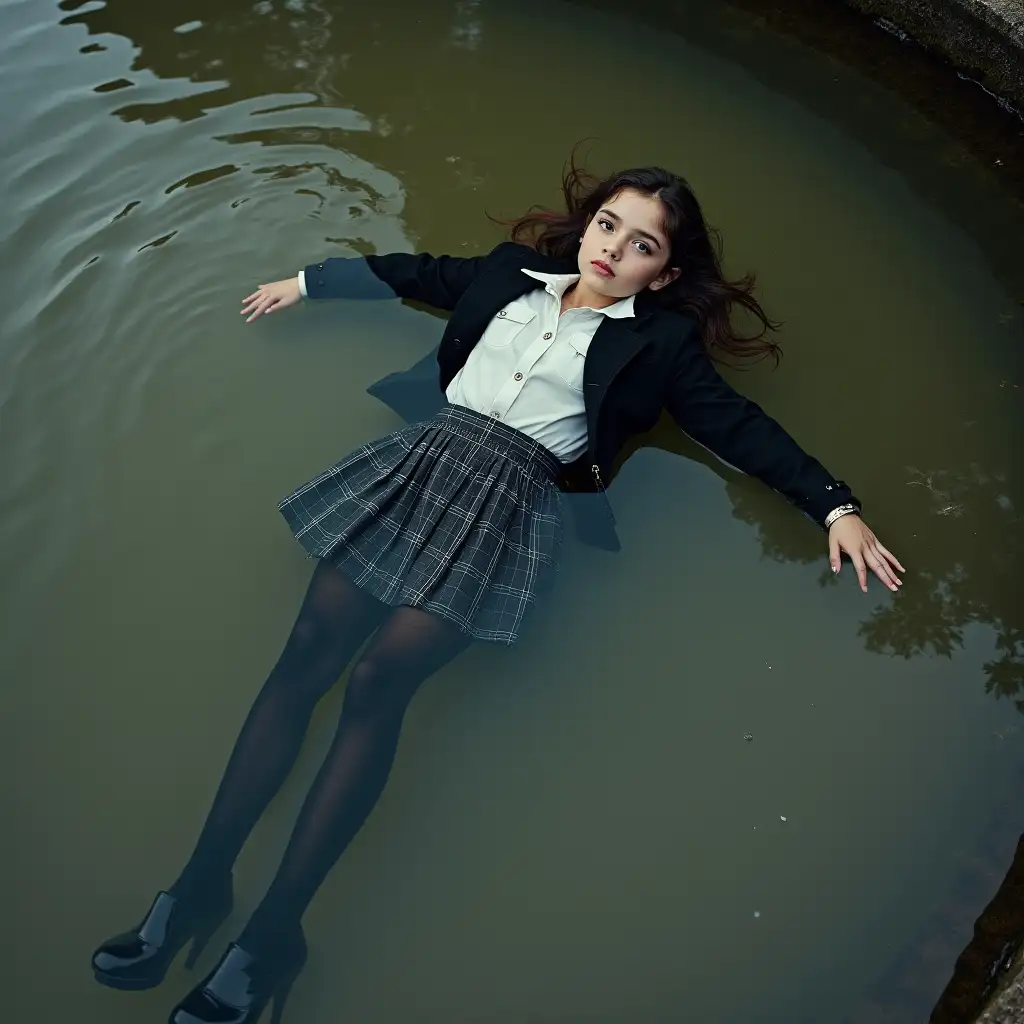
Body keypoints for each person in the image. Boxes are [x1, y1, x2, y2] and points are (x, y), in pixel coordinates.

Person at [91, 159, 904, 1023]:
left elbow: (740, 426)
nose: (612, 249)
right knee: (304, 657)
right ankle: (198, 884)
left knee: (375, 685)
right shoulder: (508, 274)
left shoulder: (658, 347)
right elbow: (414, 273)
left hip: (511, 511)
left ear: (660, 274)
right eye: (607, 225)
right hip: (419, 468)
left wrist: (833, 506)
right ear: (585, 225)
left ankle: (272, 934)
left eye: (641, 245)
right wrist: (307, 282)